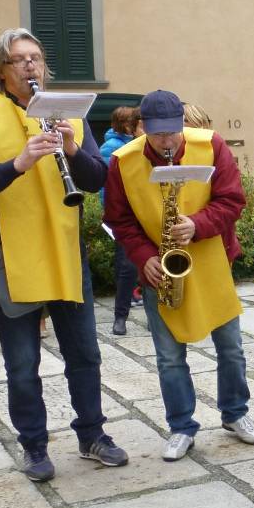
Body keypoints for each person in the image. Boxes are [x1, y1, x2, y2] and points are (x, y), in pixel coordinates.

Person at [0, 28, 129, 482]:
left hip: (65, 249)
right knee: (21, 362)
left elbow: (95, 180)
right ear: (1, 71)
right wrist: (18, 164)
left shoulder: (67, 114)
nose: (31, 65)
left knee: (85, 354)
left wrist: (72, 147)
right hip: (9, 253)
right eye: (19, 59)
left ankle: (92, 435)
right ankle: (33, 446)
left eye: (36, 57)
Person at [104, 90, 254, 461]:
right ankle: (181, 426)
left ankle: (235, 414)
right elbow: (119, 220)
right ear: (142, 127)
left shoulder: (212, 145)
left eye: (173, 132)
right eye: (158, 133)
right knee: (169, 357)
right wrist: (143, 256)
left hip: (211, 260)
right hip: (160, 269)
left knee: (231, 349)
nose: (167, 141)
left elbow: (232, 200)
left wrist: (197, 223)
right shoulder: (122, 162)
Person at [99, 106, 143, 336]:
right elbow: (109, 185)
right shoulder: (117, 151)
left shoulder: (152, 147)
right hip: (127, 215)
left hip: (150, 211)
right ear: (132, 127)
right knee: (127, 267)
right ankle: (120, 317)